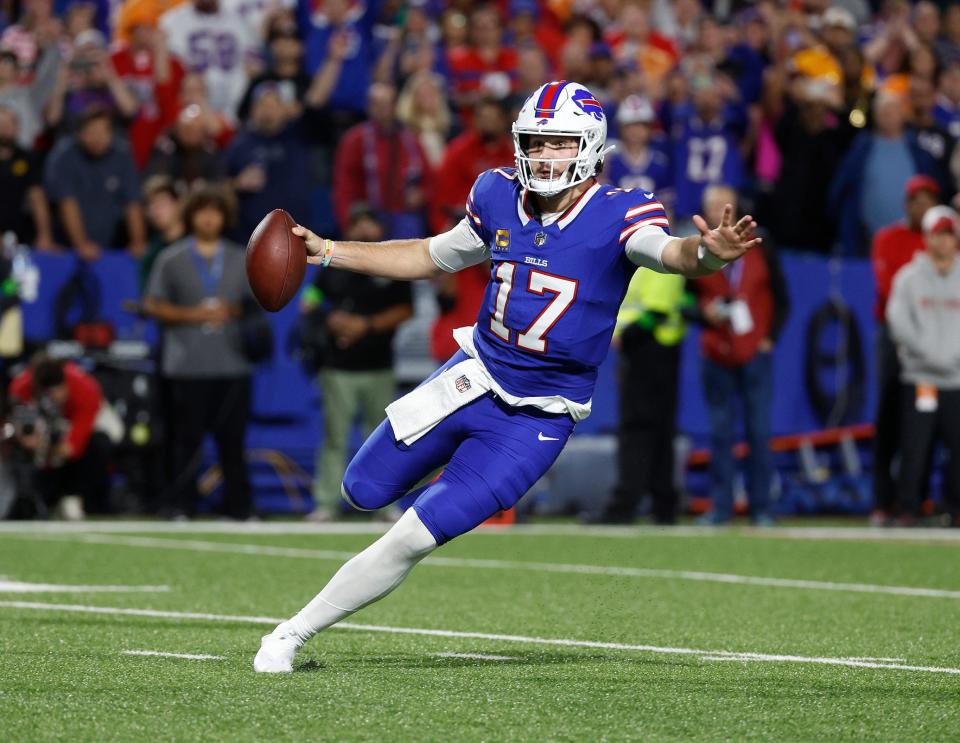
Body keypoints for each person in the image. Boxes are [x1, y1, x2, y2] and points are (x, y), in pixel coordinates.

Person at [253, 80, 760, 672]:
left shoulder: (620, 212)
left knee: (414, 535)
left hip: (535, 417)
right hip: (472, 376)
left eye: (560, 143)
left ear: (590, 147)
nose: (544, 156)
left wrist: (709, 254)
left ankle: (290, 635)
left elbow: (670, 253)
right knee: (360, 490)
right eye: (536, 142)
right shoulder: (496, 195)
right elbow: (430, 255)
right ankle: (428, 493)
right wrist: (331, 250)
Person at [143, 185, 254, 520]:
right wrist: (195, 315)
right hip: (186, 365)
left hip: (232, 363)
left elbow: (256, 305)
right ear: (191, 216)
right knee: (184, 443)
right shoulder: (171, 257)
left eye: (215, 211)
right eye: (202, 210)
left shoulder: (239, 257)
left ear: (225, 217)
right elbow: (152, 304)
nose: (208, 217)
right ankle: (181, 506)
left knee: (232, 443)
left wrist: (233, 312)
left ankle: (239, 508)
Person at [302, 205, 413, 522]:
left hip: (379, 364)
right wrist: (331, 319)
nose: (364, 230)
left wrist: (366, 326)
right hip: (338, 366)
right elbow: (310, 299)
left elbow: (405, 310)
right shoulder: (335, 264)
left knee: (382, 437)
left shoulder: (392, 264)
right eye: (358, 223)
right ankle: (325, 503)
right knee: (334, 437)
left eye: (370, 223)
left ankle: (384, 503)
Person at [692, 185, 789, 527]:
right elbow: (687, 299)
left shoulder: (760, 244)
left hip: (753, 353)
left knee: (759, 431)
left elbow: (781, 297)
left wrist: (770, 339)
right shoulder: (697, 247)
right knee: (720, 434)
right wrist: (705, 313)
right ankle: (721, 507)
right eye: (710, 206)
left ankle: (762, 507)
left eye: (722, 205)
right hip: (717, 352)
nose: (717, 212)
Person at [590, 268, 689, 525]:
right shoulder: (658, 252)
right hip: (654, 351)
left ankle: (626, 504)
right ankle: (663, 505)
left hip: (649, 349)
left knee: (638, 430)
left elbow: (656, 311)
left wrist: (626, 335)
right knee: (659, 431)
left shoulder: (660, 255)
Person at [870, 175, 940, 525]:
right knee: (889, 417)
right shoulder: (889, 238)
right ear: (907, 204)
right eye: (917, 200)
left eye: (929, 200)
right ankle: (883, 501)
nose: (922, 206)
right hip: (896, 338)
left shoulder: (943, 241)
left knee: (925, 422)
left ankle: (917, 499)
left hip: (936, 345)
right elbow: (888, 290)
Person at [886, 205, 960, 527]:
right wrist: (930, 353)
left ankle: (955, 509)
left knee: (958, 450)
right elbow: (898, 321)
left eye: (949, 234)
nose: (944, 242)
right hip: (922, 378)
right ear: (927, 238)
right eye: (938, 234)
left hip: (957, 379)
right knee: (915, 447)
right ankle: (909, 507)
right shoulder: (909, 278)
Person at [8, 353, 114, 518]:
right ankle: (35, 500)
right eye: (46, 395)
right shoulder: (22, 388)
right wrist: (26, 439)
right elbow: (23, 430)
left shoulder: (86, 390)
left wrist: (45, 447)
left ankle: (85, 500)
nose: (51, 399)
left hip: (83, 428)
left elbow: (71, 449)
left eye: (55, 393)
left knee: (100, 443)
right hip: (49, 430)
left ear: (64, 385)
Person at [43, 108, 146, 261]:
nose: (97, 138)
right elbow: (67, 203)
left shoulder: (122, 155)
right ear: (80, 133)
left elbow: (132, 203)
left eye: (103, 132)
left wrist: (138, 242)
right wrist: (81, 244)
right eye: (91, 132)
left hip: (113, 246)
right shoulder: (65, 156)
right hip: (69, 250)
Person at [0, 105, 54, 249]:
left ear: (17, 127)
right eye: (1, 124)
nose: (5, 128)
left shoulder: (29, 158)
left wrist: (44, 234)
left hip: (22, 236)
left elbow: (37, 197)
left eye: (9, 123)